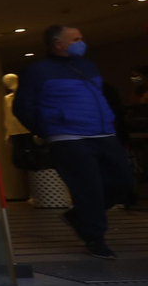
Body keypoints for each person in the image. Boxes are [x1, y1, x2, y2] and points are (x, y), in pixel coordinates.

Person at [13, 24, 135, 259]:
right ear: (58, 44)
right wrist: (48, 129)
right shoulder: (37, 70)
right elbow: (23, 106)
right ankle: (94, 237)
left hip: (103, 133)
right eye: (76, 39)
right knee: (88, 188)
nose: (82, 42)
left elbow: (98, 97)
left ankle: (79, 216)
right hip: (68, 137)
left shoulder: (87, 66)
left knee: (123, 182)